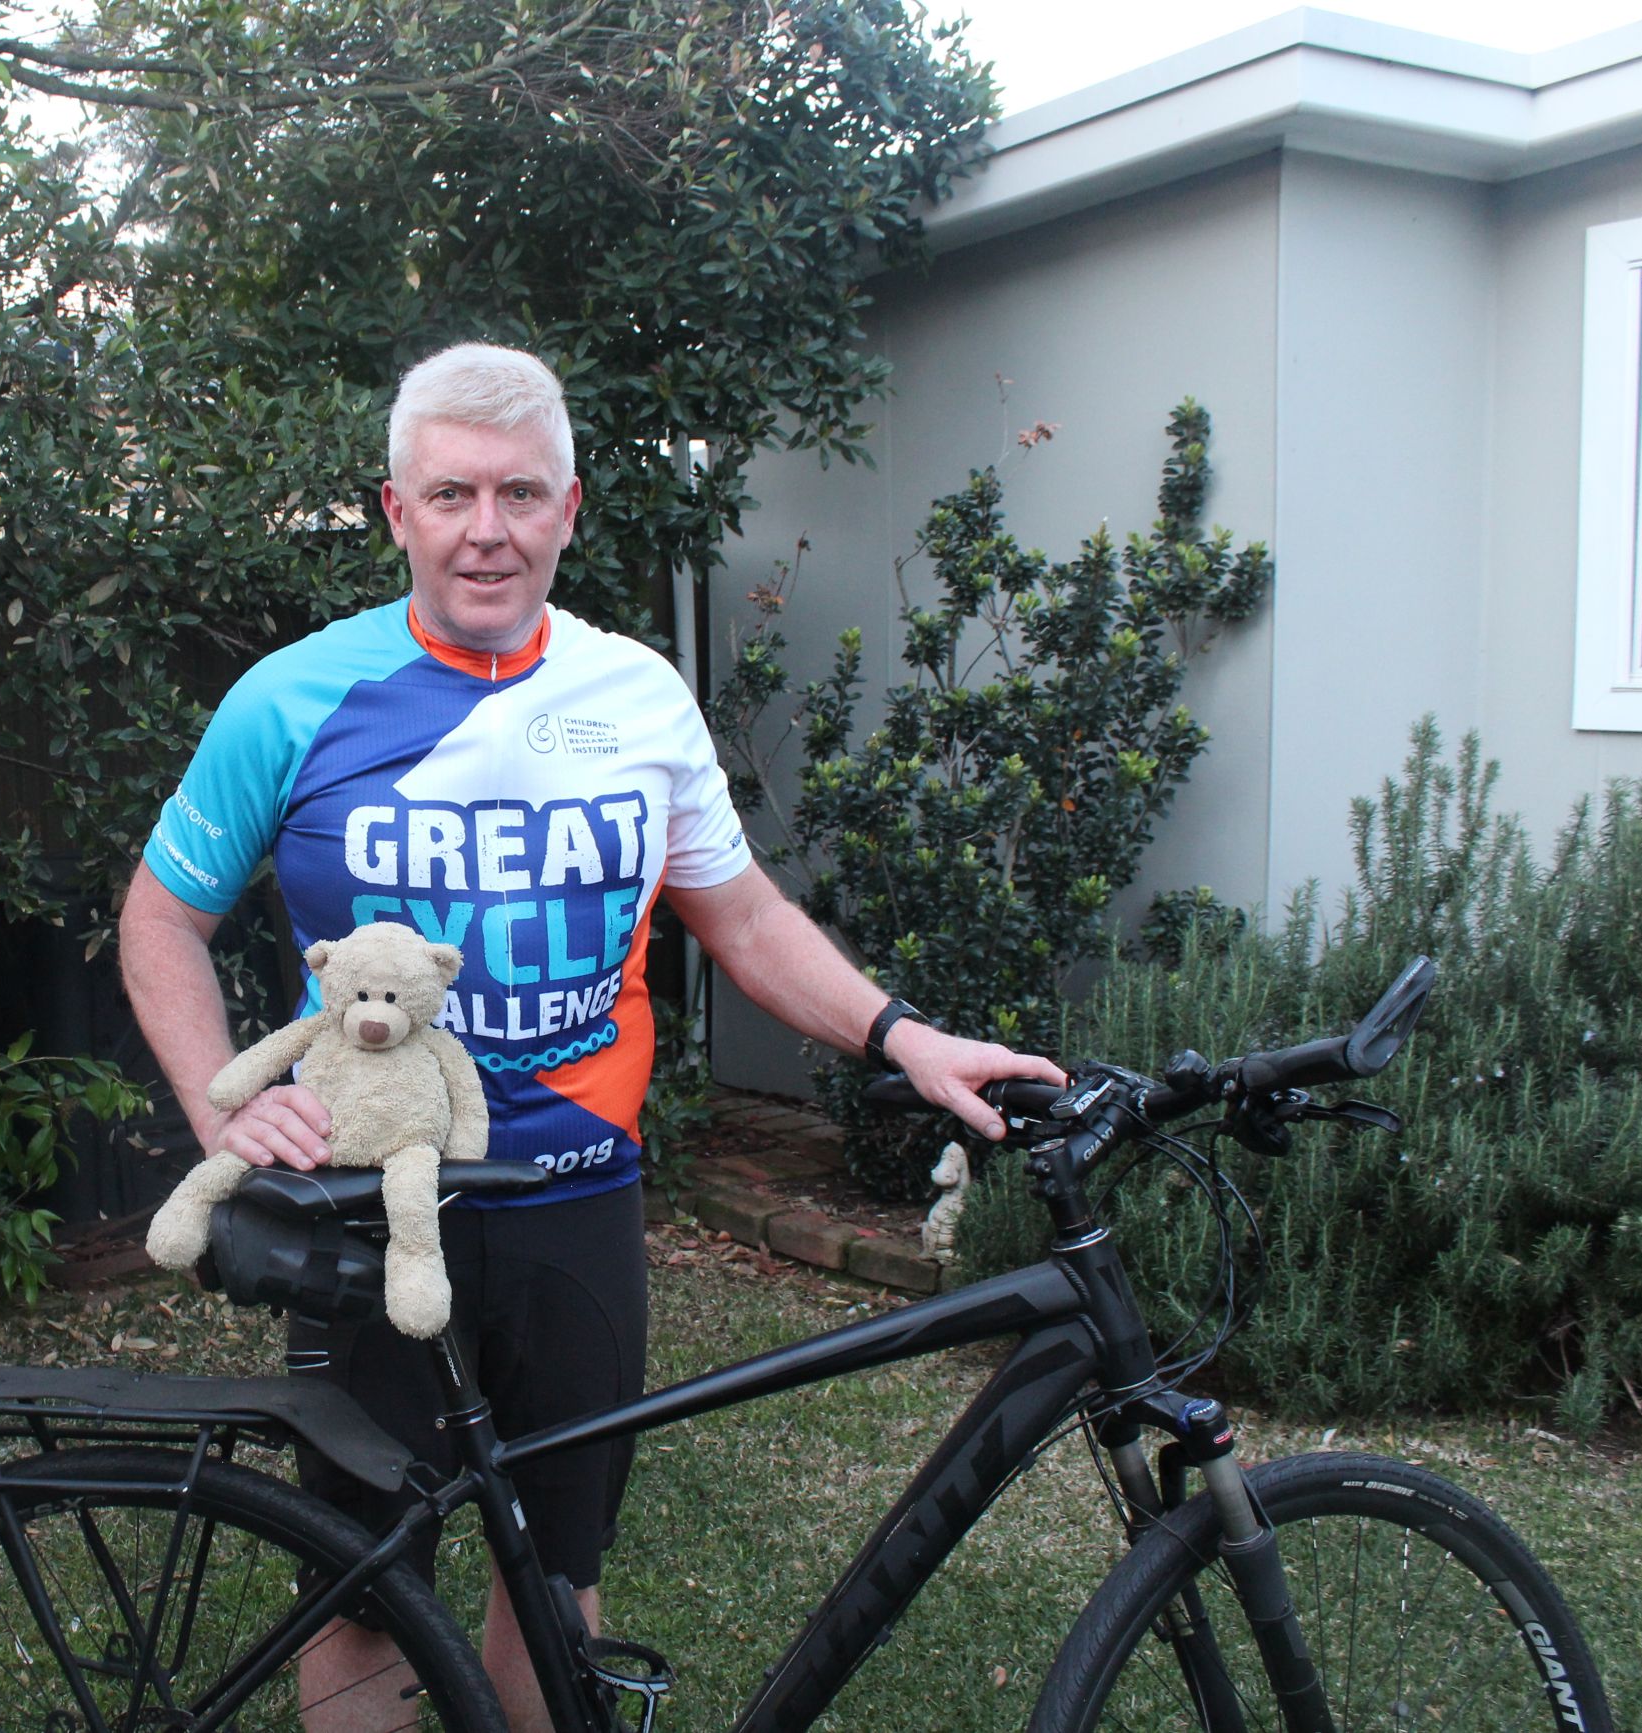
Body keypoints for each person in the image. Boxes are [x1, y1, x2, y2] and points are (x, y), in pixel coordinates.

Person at [118, 342, 1063, 1732]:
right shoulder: (292, 697)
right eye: (452, 495)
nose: (486, 530)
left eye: (520, 493)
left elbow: (743, 916)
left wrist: (900, 1037)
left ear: (570, 509)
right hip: (365, 1210)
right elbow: (160, 917)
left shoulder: (639, 695)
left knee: (556, 1576)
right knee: (364, 1588)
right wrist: (222, 1110)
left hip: (578, 1206)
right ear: (396, 513)